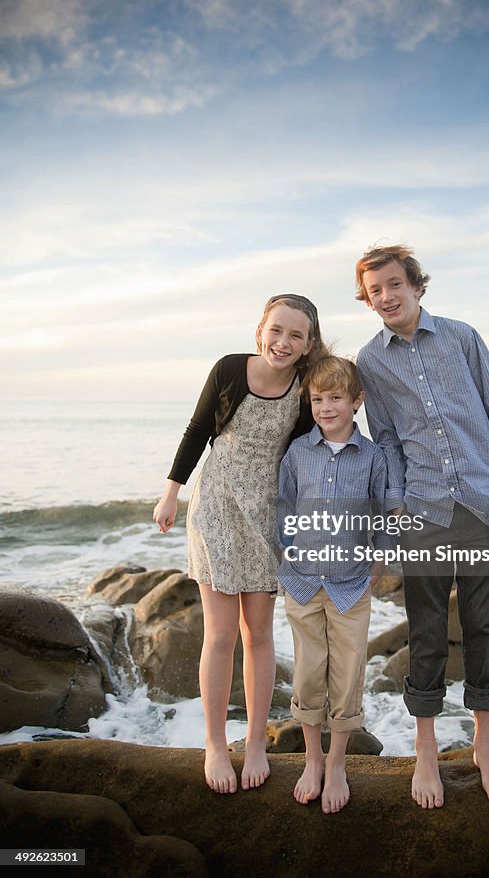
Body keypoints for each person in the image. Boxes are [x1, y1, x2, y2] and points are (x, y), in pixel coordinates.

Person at [354, 245, 489, 808]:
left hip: (485, 508)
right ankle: (426, 751)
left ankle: (483, 742)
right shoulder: (370, 362)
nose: (386, 296)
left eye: (394, 284)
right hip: (423, 515)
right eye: (375, 290)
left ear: (417, 286)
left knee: (482, 627)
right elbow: (387, 439)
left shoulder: (463, 337)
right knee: (425, 635)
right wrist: (398, 504)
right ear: (368, 298)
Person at [152, 294, 327, 795]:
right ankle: (213, 743)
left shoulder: (305, 389)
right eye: (277, 330)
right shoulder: (229, 369)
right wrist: (171, 493)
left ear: (308, 344)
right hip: (216, 507)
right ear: (260, 330)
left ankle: (254, 743)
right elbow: (196, 430)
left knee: (260, 632)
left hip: (268, 513)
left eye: (296, 335)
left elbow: (315, 450)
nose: (283, 341)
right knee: (221, 633)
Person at [276, 356, 395, 813]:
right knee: (308, 672)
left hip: (350, 584)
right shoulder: (298, 453)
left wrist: (380, 556)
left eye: (336, 398)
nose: (325, 407)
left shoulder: (372, 458)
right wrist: (285, 549)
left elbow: (385, 511)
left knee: (347, 675)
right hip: (303, 582)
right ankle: (311, 760)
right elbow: (284, 506)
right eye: (317, 399)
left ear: (356, 402)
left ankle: (338, 762)